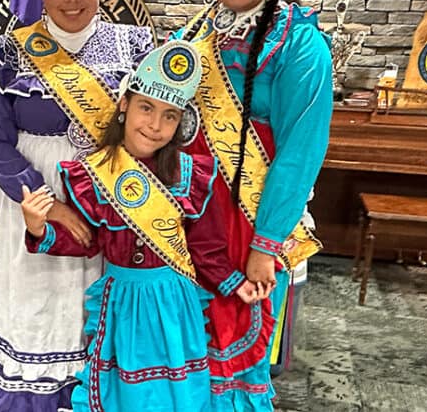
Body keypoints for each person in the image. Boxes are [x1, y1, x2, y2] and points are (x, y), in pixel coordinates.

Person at [0, 0, 155, 411]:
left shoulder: (135, 47)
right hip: (30, 196)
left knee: (96, 298)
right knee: (38, 298)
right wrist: (45, 204)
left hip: (109, 194)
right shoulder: (11, 52)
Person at [22, 40, 262, 412]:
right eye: (146, 108)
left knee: (177, 392)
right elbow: (86, 240)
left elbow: (206, 247)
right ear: (124, 105)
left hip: (175, 301)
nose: (155, 125)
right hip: (124, 302)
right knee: (126, 392)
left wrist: (236, 283)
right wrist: (40, 228)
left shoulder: (191, 175)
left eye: (170, 115)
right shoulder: (97, 174)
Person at [171, 0, 334, 410]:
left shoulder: (299, 44)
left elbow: (300, 153)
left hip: (250, 222)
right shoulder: (195, 34)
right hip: (191, 220)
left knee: (239, 346)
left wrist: (266, 246)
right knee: (186, 343)